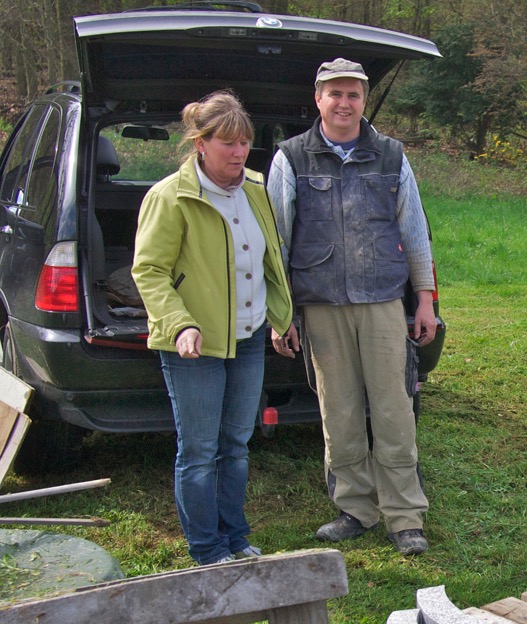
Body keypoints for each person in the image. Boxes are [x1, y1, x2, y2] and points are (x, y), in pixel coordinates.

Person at [268, 58, 437, 556]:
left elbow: (414, 231)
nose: (344, 103)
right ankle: (355, 509)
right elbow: (277, 240)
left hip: (383, 300)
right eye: (335, 93)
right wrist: (283, 314)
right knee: (337, 410)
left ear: (364, 101)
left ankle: (405, 515)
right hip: (319, 304)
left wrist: (424, 299)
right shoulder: (290, 158)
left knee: (394, 409)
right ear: (317, 98)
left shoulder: (391, 156)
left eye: (354, 95)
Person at [132, 90, 294, 566]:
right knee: (199, 451)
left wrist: (280, 320)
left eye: (244, 143)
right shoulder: (170, 197)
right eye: (228, 144)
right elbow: (150, 271)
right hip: (194, 347)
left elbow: (269, 263)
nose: (240, 153)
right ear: (200, 144)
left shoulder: (257, 191)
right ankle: (206, 549)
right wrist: (179, 323)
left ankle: (235, 537)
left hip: (247, 340)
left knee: (236, 446)